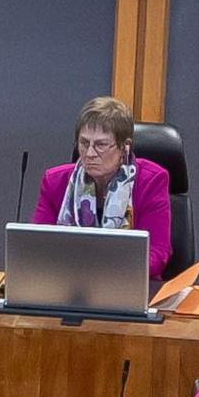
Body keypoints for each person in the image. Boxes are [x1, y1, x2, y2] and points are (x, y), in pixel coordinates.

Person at [28, 95, 172, 284]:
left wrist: (105, 272)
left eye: (101, 145)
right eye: (84, 143)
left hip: (129, 285)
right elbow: (37, 246)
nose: (90, 154)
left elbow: (158, 252)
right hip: (67, 285)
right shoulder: (55, 181)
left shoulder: (151, 180)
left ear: (124, 147)